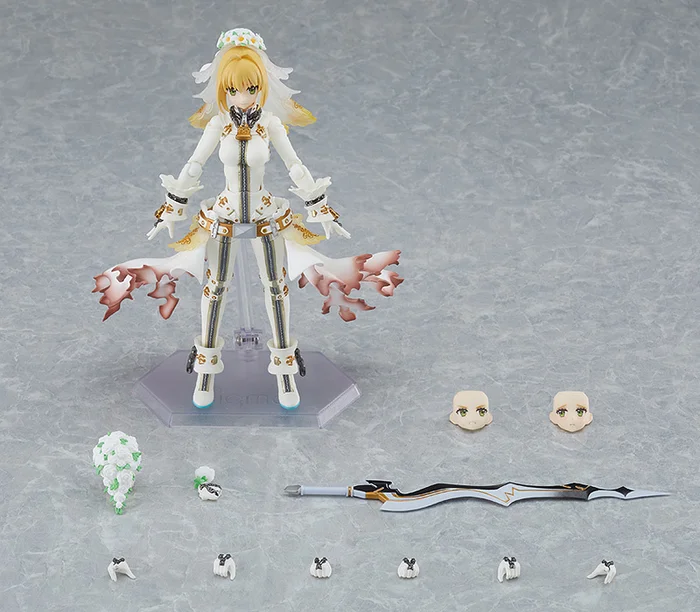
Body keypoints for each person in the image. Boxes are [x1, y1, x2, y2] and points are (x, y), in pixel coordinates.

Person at [94, 28, 402, 409]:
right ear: (223, 90)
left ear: (261, 87)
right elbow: (194, 165)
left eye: (251, 88)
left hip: (264, 215)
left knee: (277, 288)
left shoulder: (269, 125)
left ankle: (286, 374)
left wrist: (319, 206)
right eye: (234, 89)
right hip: (224, 215)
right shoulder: (218, 125)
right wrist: (173, 206)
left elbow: (295, 165)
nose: (242, 97)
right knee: (214, 289)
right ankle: (205, 372)